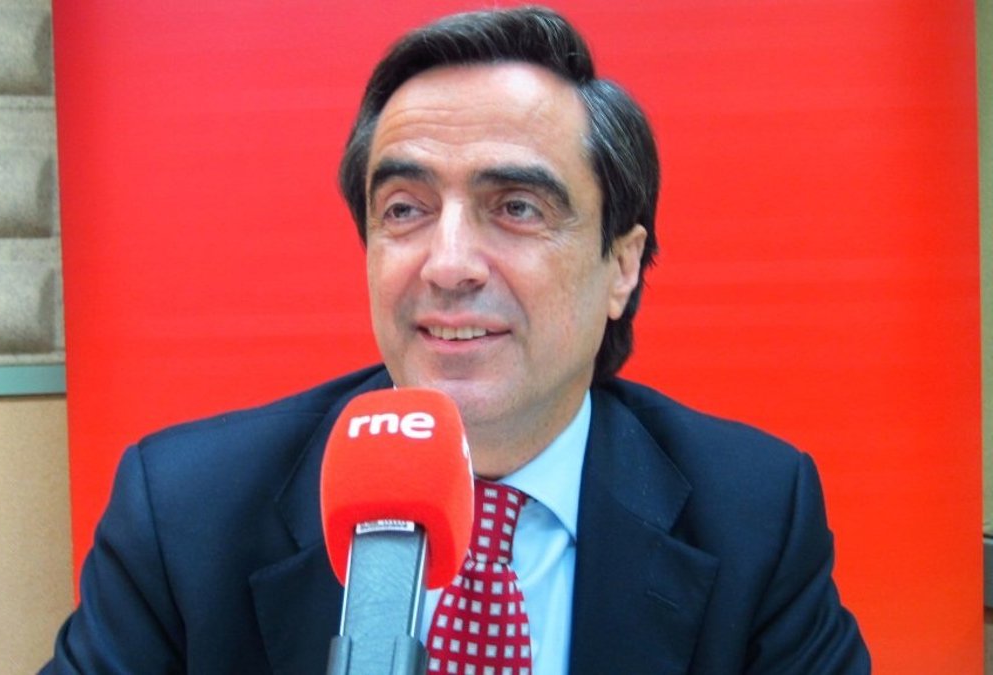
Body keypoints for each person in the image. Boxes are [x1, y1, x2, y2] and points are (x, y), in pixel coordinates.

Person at [43, 6, 869, 673]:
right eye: (405, 209)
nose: (448, 265)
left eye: (517, 207)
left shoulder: (755, 516)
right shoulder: (185, 513)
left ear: (621, 265)